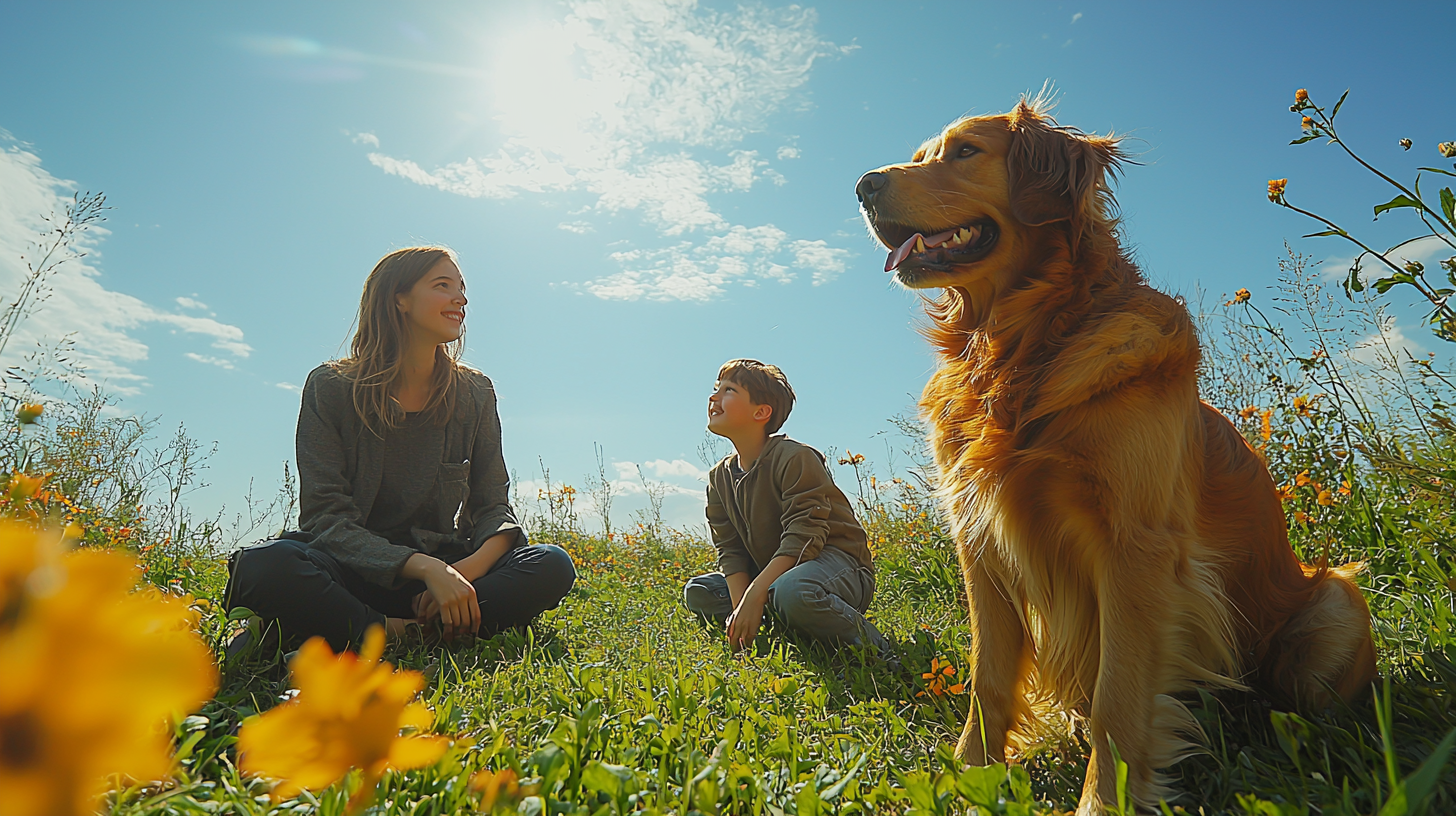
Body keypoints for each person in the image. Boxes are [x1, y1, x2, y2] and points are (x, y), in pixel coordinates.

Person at [226, 246, 575, 653]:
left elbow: (492, 505)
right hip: (349, 568)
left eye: (462, 289)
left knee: (551, 564)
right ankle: (398, 631)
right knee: (263, 566)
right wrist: (427, 569)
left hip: (437, 572)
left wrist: (454, 574)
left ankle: (344, 629)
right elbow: (325, 517)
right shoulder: (331, 387)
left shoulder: (475, 393)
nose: (460, 299)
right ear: (399, 299)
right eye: (443, 286)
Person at [683, 359, 889, 653]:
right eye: (715, 389)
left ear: (761, 412)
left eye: (728, 390)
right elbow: (730, 550)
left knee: (792, 591)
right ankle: (787, 628)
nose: (713, 397)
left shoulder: (794, 457)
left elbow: (805, 537)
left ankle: (879, 654)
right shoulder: (719, 477)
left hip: (837, 569)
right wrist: (742, 610)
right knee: (700, 591)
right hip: (774, 577)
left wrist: (756, 595)